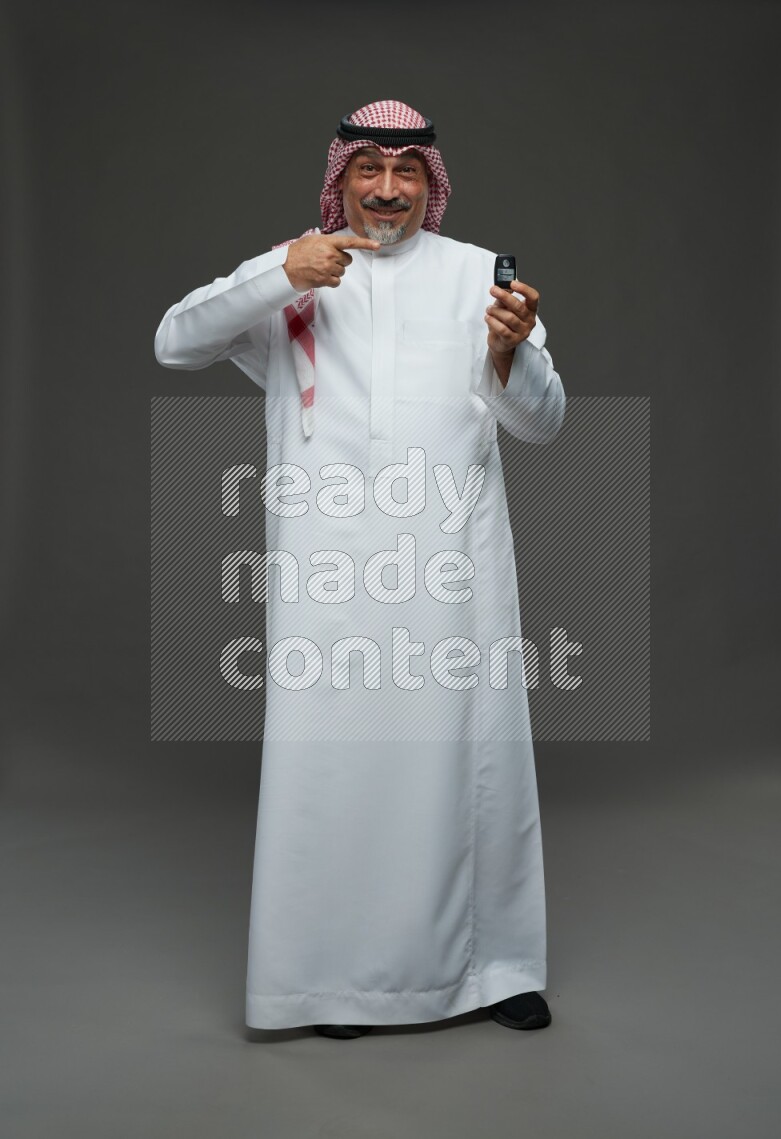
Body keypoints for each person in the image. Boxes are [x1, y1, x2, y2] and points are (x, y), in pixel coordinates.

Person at [154, 99, 566, 1039]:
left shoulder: (477, 279)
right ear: (339, 178)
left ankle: (494, 966)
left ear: (432, 183)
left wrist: (509, 355)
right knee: (334, 766)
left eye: (407, 172)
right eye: (368, 170)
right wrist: (273, 274)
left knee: (474, 761)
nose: (387, 190)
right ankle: (333, 979)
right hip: (327, 576)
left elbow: (542, 425)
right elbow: (175, 342)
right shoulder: (298, 270)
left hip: (452, 573)